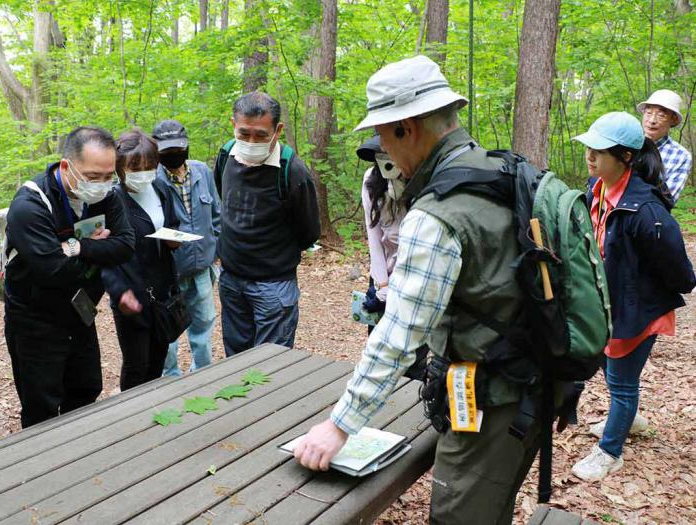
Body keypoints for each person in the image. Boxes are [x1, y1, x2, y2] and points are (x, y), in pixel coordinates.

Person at [294, 55, 543, 524]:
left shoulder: (438, 213)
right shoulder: (499, 171)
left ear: (407, 127)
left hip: (494, 398)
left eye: (384, 136)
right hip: (532, 383)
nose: (383, 149)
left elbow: (399, 332)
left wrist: (340, 425)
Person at [570, 112, 695, 481]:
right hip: (610, 305)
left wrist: (648, 292)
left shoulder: (646, 210)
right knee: (609, 367)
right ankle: (630, 419)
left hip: (636, 308)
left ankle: (610, 451)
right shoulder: (599, 190)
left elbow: (678, 267)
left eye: (600, 151)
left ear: (625, 157)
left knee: (622, 382)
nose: (590, 157)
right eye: (588, 149)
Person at [4, 126, 135, 428]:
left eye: (108, 176)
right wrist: (100, 249)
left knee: (86, 388)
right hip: (35, 320)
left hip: (80, 310)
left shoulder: (107, 196)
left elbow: (126, 245)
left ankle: (76, 455)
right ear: (67, 166)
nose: (102, 185)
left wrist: (77, 246)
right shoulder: (30, 205)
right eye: (93, 177)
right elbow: (53, 270)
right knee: (42, 405)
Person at [213, 92, 320, 356]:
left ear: (277, 130)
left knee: (270, 362)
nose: (251, 141)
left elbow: (309, 232)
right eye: (244, 133)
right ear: (233, 125)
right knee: (235, 360)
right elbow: (223, 197)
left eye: (261, 135)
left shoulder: (291, 171)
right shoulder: (226, 155)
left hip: (273, 286)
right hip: (231, 279)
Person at [102, 130, 180, 391]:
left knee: (158, 358)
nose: (143, 173)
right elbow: (102, 254)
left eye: (150, 166)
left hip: (161, 292)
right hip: (130, 296)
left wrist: (174, 240)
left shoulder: (160, 188)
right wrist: (119, 291)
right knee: (137, 364)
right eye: (136, 167)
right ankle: (130, 421)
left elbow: (171, 223)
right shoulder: (111, 201)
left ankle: (153, 413)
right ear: (119, 167)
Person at [152, 119, 221, 377]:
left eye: (177, 149)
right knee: (168, 331)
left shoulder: (202, 172)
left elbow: (216, 215)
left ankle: (202, 375)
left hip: (202, 268)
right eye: (166, 151)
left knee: (204, 324)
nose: (173, 155)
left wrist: (217, 254)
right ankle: (169, 379)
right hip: (169, 273)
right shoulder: (152, 181)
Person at [357, 135, 406, 324]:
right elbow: (374, 235)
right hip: (384, 271)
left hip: (414, 271)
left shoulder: (422, 179)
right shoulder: (371, 179)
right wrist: (382, 284)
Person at [637, 89, 692, 201]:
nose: (652, 120)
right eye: (648, 113)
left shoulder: (680, 155)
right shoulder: (628, 143)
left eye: (661, 115)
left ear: (673, 120)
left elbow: (666, 199)